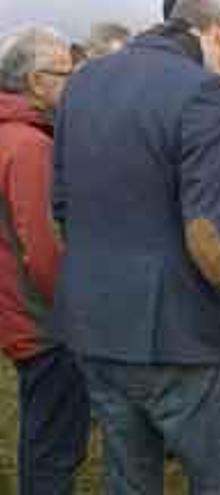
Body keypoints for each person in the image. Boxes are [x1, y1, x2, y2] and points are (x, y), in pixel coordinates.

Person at [51, 1, 220, 492]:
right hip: (179, 339)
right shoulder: (202, 92)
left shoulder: (82, 84)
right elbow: (210, 236)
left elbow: (64, 206)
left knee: (129, 481)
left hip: (95, 327)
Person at [0, 26, 90, 495]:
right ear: (36, 82)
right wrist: (76, 313)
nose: (74, 82)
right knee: (55, 444)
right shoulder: (30, 146)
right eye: (66, 74)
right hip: (43, 322)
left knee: (41, 428)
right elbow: (44, 248)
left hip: (16, 313)